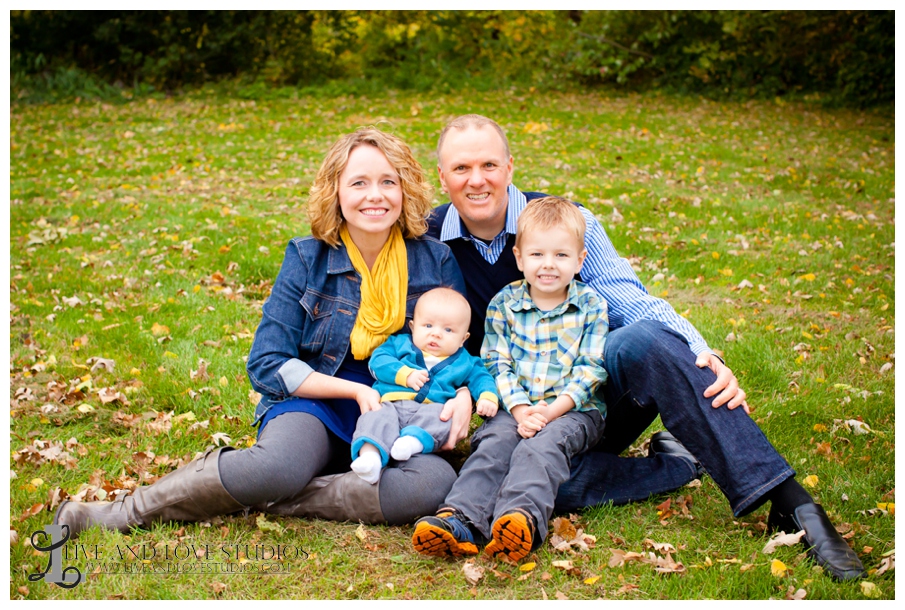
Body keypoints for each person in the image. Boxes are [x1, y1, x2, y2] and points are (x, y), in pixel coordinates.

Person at [413, 114, 865, 581]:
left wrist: (703, 352)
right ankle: (674, 465)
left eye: (488, 164)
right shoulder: (425, 239)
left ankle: (793, 503)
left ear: (509, 166)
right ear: (442, 177)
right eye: (461, 168)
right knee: (530, 484)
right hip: (510, 407)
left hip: (585, 395)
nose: (477, 179)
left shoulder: (564, 222)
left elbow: (631, 300)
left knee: (643, 338)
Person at [53, 127, 469, 536]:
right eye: (359, 182)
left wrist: (464, 395)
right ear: (336, 192)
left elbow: (460, 352)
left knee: (432, 483)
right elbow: (267, 363)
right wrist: (355, 391)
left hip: (401, 408)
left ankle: (276, 498)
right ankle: (123, 512)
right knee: (277, 466)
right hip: (318, 401)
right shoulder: (308, 258)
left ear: (406, 190)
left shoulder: (435, 260)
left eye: (387, 182)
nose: (374, 195)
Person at [414, 197, 609, 562]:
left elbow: (591, 369)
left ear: (580, 260)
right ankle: (458, 518)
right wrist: (519, 410)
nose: (548, 265)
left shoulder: (591, 306)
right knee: (492, 444)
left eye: (561, 256)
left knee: (540, 448)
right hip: (513, 406)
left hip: (573, 410)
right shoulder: (503, 304)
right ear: (519, 257)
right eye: (537, 255)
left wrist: (550, 413)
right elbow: (495, 361)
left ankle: (519, 520)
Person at [349, 287, 499, 484]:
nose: (436, 334)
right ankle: (370, 456)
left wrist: (487, 396)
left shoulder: (465, 361)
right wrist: (405, 374)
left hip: (430, 409)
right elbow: (379, 361)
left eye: (448, 330)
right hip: (391, 403)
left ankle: (412, 442)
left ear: (463, 338)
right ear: (412, 326)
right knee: (374, 417)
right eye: (428, 325)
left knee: (444, 418)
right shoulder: (399, 344)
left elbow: (482, 377)